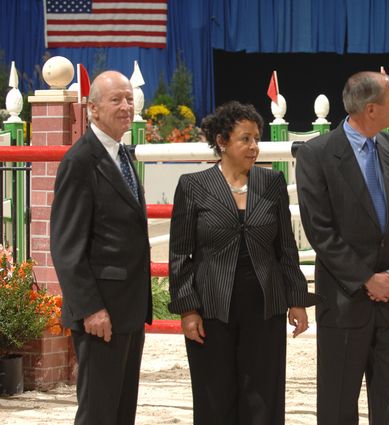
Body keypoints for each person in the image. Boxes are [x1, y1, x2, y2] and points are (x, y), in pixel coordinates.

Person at [168, 101, 316, 425]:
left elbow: (286, 248)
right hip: (211, 308)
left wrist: (298, 300)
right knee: (214, 396)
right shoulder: (192, 186)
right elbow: (180, 255)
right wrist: (188, 310)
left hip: (266, 305)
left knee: (264, 396)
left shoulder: (272, 183)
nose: (254, 147)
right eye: (245, 139)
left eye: (256, 139)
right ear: (222, 142)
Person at [295, 71, 389, 425]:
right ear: (370, 109)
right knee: (337, 406)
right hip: (344, 303)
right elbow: (320, 232)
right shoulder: (316, 155)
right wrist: (367, 279)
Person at [50, 70, 152, 425]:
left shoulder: (122, 154)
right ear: (92, 109)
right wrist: (91, 308)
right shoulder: (80, 161)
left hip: (128, 310)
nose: (126, 106)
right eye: (116, 100)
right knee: (98, 413)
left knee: (122, 411)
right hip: (101, 314)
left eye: (129, 98)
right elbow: (66, 246)